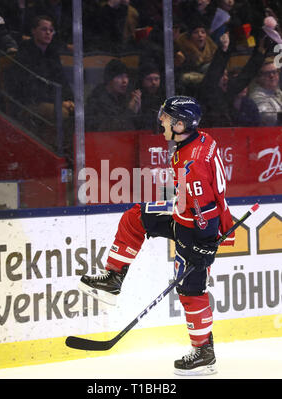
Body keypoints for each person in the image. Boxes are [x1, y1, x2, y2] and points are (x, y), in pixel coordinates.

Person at [78, 95, 235, 376]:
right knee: (135, 217)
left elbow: (205, 207)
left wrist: (206, 244)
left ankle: (203, 352)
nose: (160, 121)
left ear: (180, 123)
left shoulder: (192, 164)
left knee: (191, 290)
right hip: (184, 214)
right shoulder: (199, 140)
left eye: (165, 118)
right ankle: (114, 277)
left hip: (195, 229)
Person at [9, 15, 74, 161]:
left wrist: (70, 100)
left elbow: (62, 80)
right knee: (61, 113)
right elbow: (31, 88)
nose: (48, 33)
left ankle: (66, 154)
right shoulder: (25, 53)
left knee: (78, 111)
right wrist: (59, 102)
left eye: (51, 30)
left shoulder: (52, 53)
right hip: (28, 105)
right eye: (44, 29)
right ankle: (53, 153)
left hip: (52, 102)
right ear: (33, 31)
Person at [198, 31, 269, 127]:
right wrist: (223, 51)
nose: (226, 78)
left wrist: (260, 52)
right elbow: (214, 72)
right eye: (222, 75)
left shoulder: (227, 92)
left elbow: (245, 77)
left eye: (227, 75)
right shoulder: (206, 92)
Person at [85, 59, 141, 132]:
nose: (125, 81)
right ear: (109, 79)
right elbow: (108, 130)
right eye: (119, 76)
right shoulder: (97, 101)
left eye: (126, 76)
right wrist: (130, 111)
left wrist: (137, 110)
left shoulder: (127, 97)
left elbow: (138, 128)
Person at [249, 58, 282, 126]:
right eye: (267, 73)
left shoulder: (279, 93)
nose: (272, 76)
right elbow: (268, 118)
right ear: (259, 78)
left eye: (274, 72)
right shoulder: (256, 96)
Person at [135, 62, 165, 130]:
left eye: (156, 79)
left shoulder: (164, 97)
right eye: (149, 79)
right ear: (142, 81)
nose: (154, 82)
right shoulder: (137, 97)